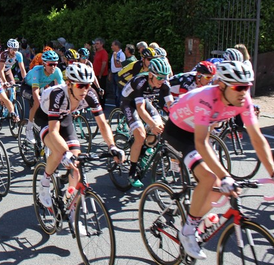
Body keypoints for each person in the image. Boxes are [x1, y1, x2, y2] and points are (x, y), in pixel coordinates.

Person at [162, 60, 274, 260]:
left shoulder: (244, 100)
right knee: (210, 178)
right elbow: (200, 142)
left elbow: (258, 138)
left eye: (247, 87)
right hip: (179, 133)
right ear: (222, 86)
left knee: (219, 189)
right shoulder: (206, 98)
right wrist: (225, 175)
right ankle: (188, 230)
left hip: (199, 131)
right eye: (239, 87)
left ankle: (196, 218)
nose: (244, 92)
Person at [35, 62, 125, 209]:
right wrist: (65, 153)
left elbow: (102, 124)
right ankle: (44, 184)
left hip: (65, 118)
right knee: (59, 153)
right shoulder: (58, 94)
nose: (84, 89)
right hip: (46, 118)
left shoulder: (90, 94)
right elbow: (53, 131)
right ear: (69, 84)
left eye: (88, 85)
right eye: (80, 86)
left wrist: (112, 146)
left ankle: (70, 205)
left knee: (76, 162)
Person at [120, 57, 172, 187]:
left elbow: (172, 106)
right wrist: (152, 124)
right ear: (150, 75)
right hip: (129, 102)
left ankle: (142, 151)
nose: (163, 81)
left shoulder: (165, 84)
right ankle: (132, 173)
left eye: (165, 78)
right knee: (141, 135)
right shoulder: (140, 82)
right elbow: (140, 109)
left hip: (144, 100)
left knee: (159, 128)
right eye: (159, 78)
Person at [22, 50, 64, 143]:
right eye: (50, 64)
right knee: (36, 103)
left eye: (55, 64)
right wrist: (41, 104)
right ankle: (29, 128)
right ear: (44, 64)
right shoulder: (37, 70)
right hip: (28, 87)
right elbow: (35, 91)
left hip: (40, 87)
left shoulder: (57, 71)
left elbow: (62, 88)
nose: (53, 67)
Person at [92, 37, 109, 106]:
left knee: (101, 90)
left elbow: (104, 64)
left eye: (97, 44)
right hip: (95, 74)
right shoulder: (97, 52)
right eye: (95, 43)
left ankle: (102, 104)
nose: (96, 45)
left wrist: (100, 74)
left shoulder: (104, 53)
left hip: (101, 75)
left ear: (102, 44)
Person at [109, 40, 126, 107]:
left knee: (118, 92)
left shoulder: (120, 54)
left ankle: (120, 107)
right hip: (114, 74)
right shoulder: (114, 53)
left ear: (117, 46)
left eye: (113, 45)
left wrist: (115, 57)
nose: (111, 47)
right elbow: (113, 65)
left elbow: (118, 65)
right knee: (115, 91)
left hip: (118, 74)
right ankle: (117, 106)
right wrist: (110, 73)